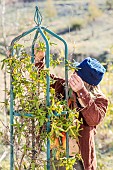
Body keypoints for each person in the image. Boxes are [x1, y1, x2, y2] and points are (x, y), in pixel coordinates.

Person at [34, 49, 108, 170]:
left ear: (85, 82)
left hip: (78, 160)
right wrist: (39, 60)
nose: (73, 75)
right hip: (58, 155)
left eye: (77, 74)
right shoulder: (65, 87)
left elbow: (94, 119)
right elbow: (45, 79)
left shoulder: (100, 100)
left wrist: (81, 92)